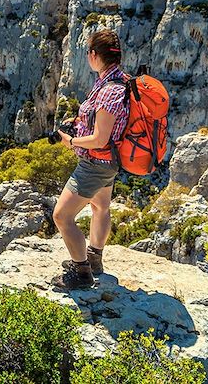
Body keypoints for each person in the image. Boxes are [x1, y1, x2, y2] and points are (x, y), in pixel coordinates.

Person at [51, 29, 130, 290]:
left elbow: (100, 139)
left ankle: (81, 272)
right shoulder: (115, 80)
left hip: (95, 163)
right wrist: (78, 122)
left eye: (88, 52)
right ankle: (94, 258)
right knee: (100, 207)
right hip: (108, 163)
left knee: (62, 216)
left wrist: (71, 141)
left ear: (95, 55)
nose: (87, 57)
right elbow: (101, 122)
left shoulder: (110, 90)